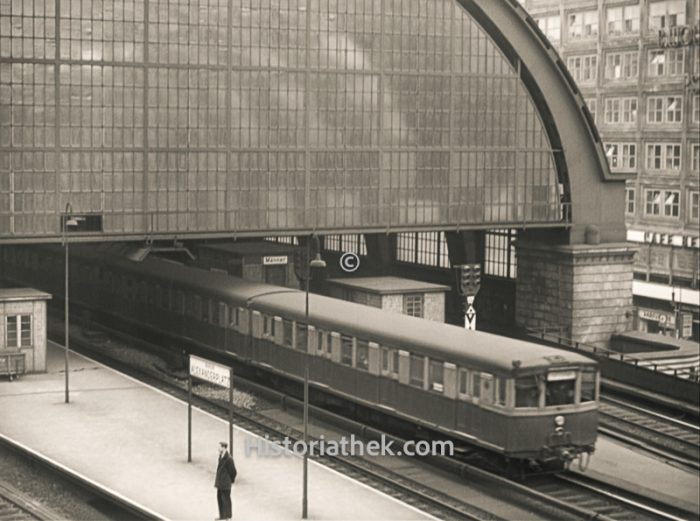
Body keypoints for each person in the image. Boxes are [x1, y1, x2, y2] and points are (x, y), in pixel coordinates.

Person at [215, 441, 237, 520]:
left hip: (225, 483)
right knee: (220, 498)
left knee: (226, 499)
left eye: (219, 447)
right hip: (220, 483)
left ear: (223, 447)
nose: (218, 448)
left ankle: (228, 516)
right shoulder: (221, 456)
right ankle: (222, 516)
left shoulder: (228, 458)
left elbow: (233, 471)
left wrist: (230, 480)